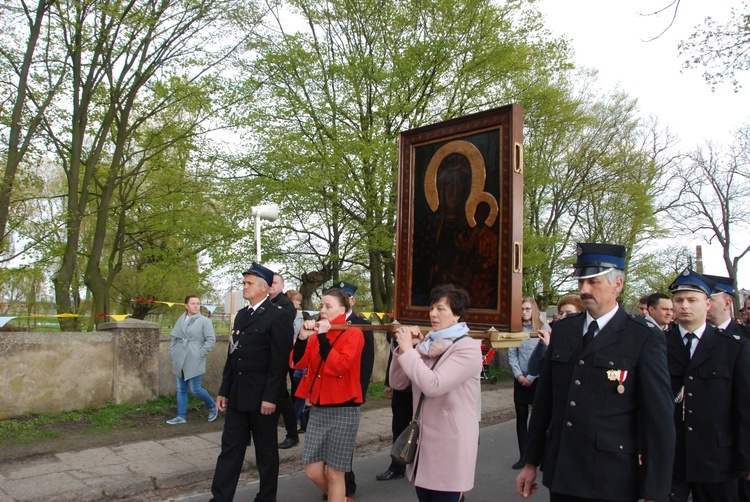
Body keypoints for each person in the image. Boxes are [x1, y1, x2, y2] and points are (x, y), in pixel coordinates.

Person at [516, 243, 675, 501]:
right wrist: (531, 461)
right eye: (581, 282)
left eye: (593, 282)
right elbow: (545, 402)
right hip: (564, 470)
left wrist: (655, 490)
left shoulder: (642, 337)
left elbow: (659, 419)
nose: (583, 289)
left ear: (618, 283)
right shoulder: (565, 330)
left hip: (612, 475)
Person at [389, 284, 482, 502]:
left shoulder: (466, 347)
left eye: (440, 309)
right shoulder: (427, 345)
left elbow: (433, 385)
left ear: (457, 314)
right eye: (431, 308)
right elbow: (398, 382)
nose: (432, 314)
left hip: (451, 443)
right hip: (425, 441)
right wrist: (403, 350)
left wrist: (411, 351)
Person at [209, 263, 294, 502]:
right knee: (230, 450)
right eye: (244, 283)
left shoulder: (278, 316)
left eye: (249, 283)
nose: (244, 287)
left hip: (262, 399)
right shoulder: (242, 315)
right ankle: (220, 498)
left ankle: (266, 498)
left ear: (265, 288)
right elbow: (233, 355)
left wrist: (270, 397)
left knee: (266, 454)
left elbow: (279, 363)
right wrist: (224, 390)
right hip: (238, 395)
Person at [665, 268, 750, 502]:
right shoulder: (658, 346)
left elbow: (744, 408)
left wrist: (746, 458)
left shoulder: (734, 348)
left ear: (708, 304)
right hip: (672, 456)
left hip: (718, 459)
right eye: (679, 300)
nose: (684, 306)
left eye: (692, 300)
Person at [291, 288, 365, 502]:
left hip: (344, 410)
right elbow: (299, 363)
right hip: (319, 409)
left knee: (335, 473)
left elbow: (339, 366)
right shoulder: (316, 335)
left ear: (343, 309)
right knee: (313, 472)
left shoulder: (353, 333)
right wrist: (303, 338)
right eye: (321, 305)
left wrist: (322, 337)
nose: (322, 310)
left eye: (328, 306)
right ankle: (340, 498)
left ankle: (338, 496)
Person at [332, 281, 375, 498]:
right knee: (330, 441)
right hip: (329, 391)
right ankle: (334, 483)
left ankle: (346, 484)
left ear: (352, 300)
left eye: (346, 296)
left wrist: (361, 391)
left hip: (350, 391)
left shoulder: (361, 323)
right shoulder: (327, 321)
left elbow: (367, 362)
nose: (344, 299)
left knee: (344, 441)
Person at [167, 295, 218, 424]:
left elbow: (211, 339)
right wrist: (173, 351)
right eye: (193, 303)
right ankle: (181, 416)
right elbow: (175, 337)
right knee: (181, 388)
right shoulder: (180, 320)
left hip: (195, 356)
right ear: (186, 306)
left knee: (195, 389)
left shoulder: (205, 321)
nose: (196, 306)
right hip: (180, 356)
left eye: (198, 303)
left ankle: (213, 405)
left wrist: (201, 353)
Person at [509, 297, 547, 470]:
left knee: (538, 419)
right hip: (520, 379)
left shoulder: (543, 328)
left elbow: (544, 354)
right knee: (521, 417)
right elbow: (512, 353)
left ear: (534, 310)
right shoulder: (516, 328)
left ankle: (539, 456)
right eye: (522, 309)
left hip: (537, 379)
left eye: (527, 309)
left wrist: (531, 376)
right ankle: (523, 456)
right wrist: (518, 375)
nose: (524, 312)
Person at [375, 332, 413, 482]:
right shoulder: (398, 327)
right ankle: (397, 466)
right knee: (399, 427)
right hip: (401, 388)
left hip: (421, 387)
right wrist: (388, 382)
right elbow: (394, 355)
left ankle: (422, 465)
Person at [269, 272, 300, 450]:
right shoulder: (269, 303)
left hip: (281, 356)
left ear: (282, 286)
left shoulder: (285, 305)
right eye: (269, 283)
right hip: (269, 356)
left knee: (282, 396)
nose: (271, 286)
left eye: (275, 283)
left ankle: (292, 434)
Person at [526, 295, 584, 378]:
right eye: (561, 313)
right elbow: (533, 369)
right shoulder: (555, 337)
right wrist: (543, 345)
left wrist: (550, 347)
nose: (563, 316)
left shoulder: (585, 338)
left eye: (569, 313)